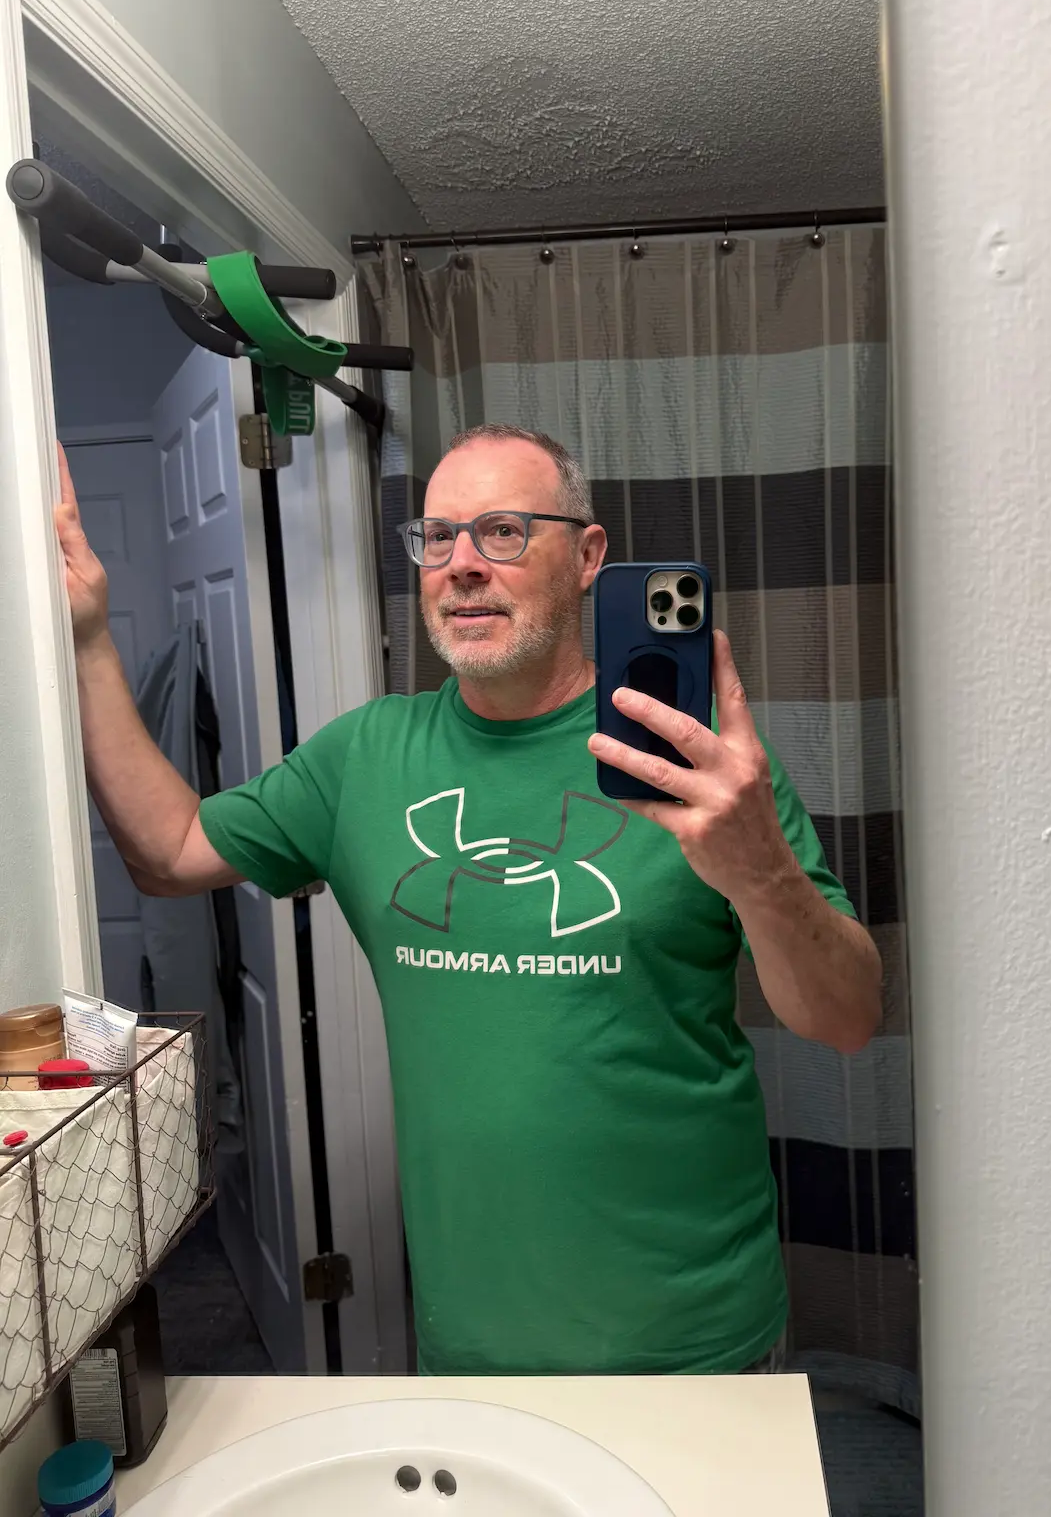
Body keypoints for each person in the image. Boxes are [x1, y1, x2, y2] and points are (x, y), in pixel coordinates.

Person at [57, 422, 881, 1376]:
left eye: (502, 531)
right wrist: (86, 638)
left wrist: (760, 869)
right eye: (436, 537)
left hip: (694, 1343)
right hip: (471, 1346)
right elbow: (168, 849)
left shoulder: (703, 769)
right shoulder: (363, 758)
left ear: (588, 556)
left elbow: (848, 1018)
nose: (460, 566)